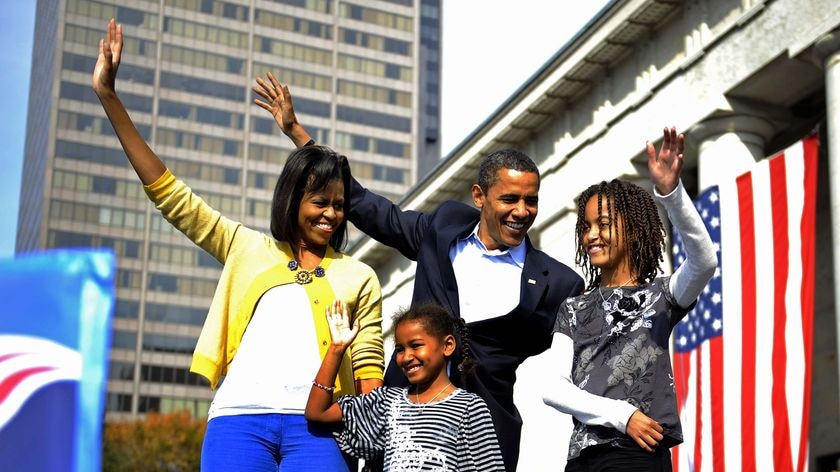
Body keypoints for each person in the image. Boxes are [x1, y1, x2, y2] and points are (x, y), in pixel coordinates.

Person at [250, 73, 663, 471]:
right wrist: (300, 136)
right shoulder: (442, 229)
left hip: (483, 434)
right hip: (403, 419)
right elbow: (372, 208)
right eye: (510, 199)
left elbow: (594, 351)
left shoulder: (558, 283)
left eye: (531, 201)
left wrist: (624, 413)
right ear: (480, 196)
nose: (522, 212)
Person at [92, 20, 385, 471]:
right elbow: (171, 195)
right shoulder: (246, 248)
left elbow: (369, 369)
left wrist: (378, 442)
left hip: (321, 433)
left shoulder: (358, 275)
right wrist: (109, 97)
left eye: (340, 206)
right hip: (239, 421)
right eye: (319, 202)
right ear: (293, 200)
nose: (331, 214)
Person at [542, 127, 718, 470]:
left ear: (634, 229)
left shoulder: (662, 296)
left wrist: (671, 193)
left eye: (603, 224)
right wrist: (623, 415)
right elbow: (553, 388)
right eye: (586, 226)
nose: (591, 235)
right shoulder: (573, 308)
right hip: (582, 459)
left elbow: (704, 262)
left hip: (638, 454)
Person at [306, 301, 505, 471]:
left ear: (447, 345)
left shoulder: (469, 407)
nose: (407, 357)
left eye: (416, 345)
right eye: (400, 349)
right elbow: (317, 412)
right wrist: (337, 348)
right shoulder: (386, 402)